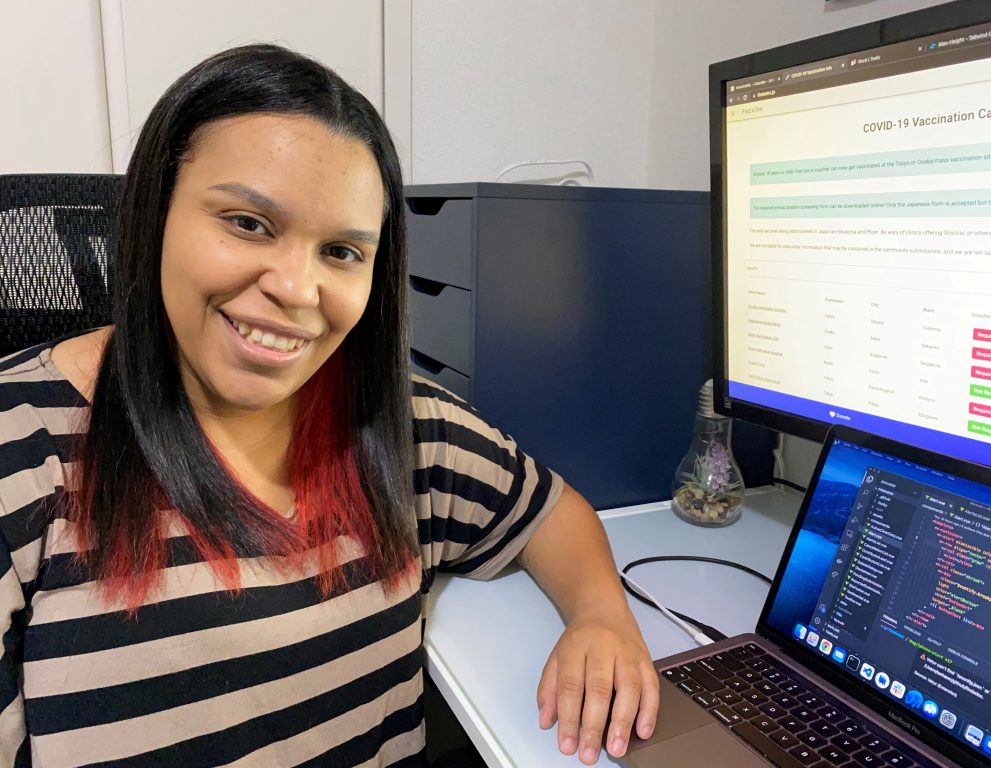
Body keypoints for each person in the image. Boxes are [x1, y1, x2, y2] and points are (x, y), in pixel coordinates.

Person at [0, 45, 658, 767]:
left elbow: (551, 513)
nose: (297, 289)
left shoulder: (400, 425)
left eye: (342, 252)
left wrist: (601, 616)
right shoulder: (21, 451)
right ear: (154, 213)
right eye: (248, 223)